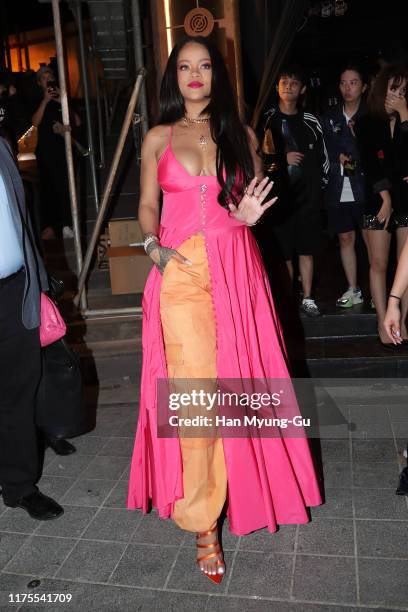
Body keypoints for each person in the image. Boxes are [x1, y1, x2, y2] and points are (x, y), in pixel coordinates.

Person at [127, 37, 322, 583]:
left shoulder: (238, 134)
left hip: (237, 268)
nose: (195, 75)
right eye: (185, 66)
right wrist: (153, 248)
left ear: (217, 75)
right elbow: (147, 205)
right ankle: (203, 520)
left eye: (205, 66)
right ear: (175, 77)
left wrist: (251, 214)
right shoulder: (158, 137)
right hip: (181, 276)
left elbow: (245, 203)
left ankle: (249, 483)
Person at [0, 136, 64, 521]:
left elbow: (22, 222)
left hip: (12, 290)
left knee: (18, 390)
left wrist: (37, 284)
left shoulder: (2, 148)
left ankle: (19, 485)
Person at [262, 64, 330, 317]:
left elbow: (325, 159)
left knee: (307, 249)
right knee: (284, 252)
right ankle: (288, 298)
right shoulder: (267, 119)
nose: (288, 86)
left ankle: (308, 297)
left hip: (307, 199)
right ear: (277, 87)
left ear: (302, 89)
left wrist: (318, 191)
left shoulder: (311, 121)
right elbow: (258, 156)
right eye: (284, 82)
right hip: (278, 200)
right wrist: (282, 160)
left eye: (293, 83)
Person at [355, 63, 408, 346]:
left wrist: (405, 116)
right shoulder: (366, 121)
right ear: (382, 88)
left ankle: (402, 321)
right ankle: (381, 323)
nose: (397, 94)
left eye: (402, 90)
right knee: (378, 263)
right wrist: (385, 198)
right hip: (377, 198)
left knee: (405, 264)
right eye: (393, 88)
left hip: (406, 198)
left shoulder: (405, 120)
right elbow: (370, 164)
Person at [321, 65, 367, 308]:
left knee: (371, 242)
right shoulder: (329, 117)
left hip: (367, 189)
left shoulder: (373, 115)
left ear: (364, 87)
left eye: (354, 82)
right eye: (343, 83)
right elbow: (323, 149)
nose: (348, 88)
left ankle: (376, 291)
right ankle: (353, 288)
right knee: (345, 238)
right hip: (338, 187)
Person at [30, 66, 78, 240]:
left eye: (49, 74)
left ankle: (67, 224)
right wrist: (45, 100)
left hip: (64, 149)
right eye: (43, 76)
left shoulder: (62, 98)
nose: (47, 77)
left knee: (66, 186)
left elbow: (77, 121)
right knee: (49, 188)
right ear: (39, 82)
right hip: (46, 151)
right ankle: (51, 227)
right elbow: (34, 122)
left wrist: (62, 101)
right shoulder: (36, 99)